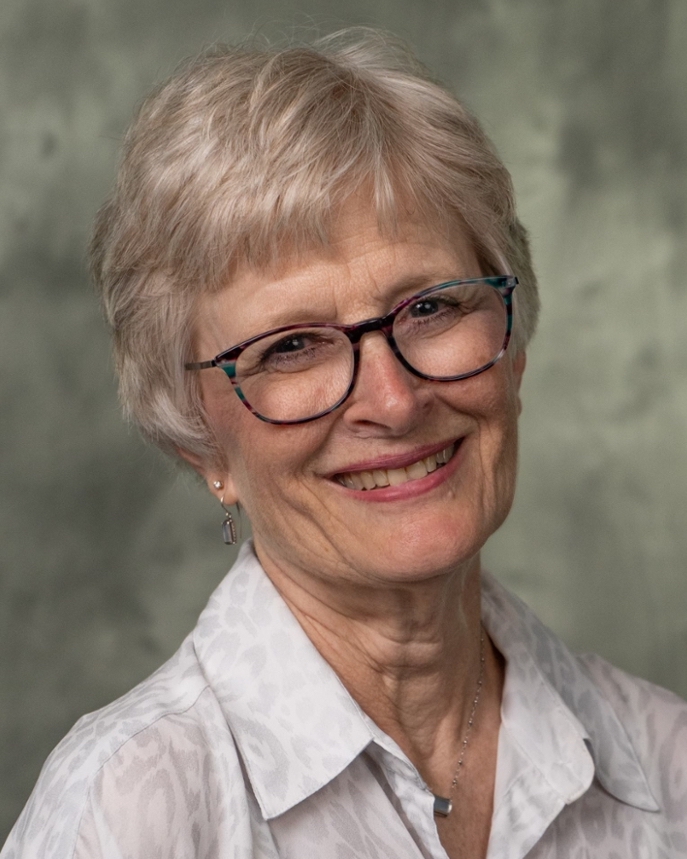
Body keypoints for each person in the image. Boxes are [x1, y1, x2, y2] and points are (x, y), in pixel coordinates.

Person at [2, 28, 686, 859]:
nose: (393, 401)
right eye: (292, 346)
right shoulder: (129, 811)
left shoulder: (667, 766)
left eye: (430, 307)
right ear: (200, 441)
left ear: (511, 344)